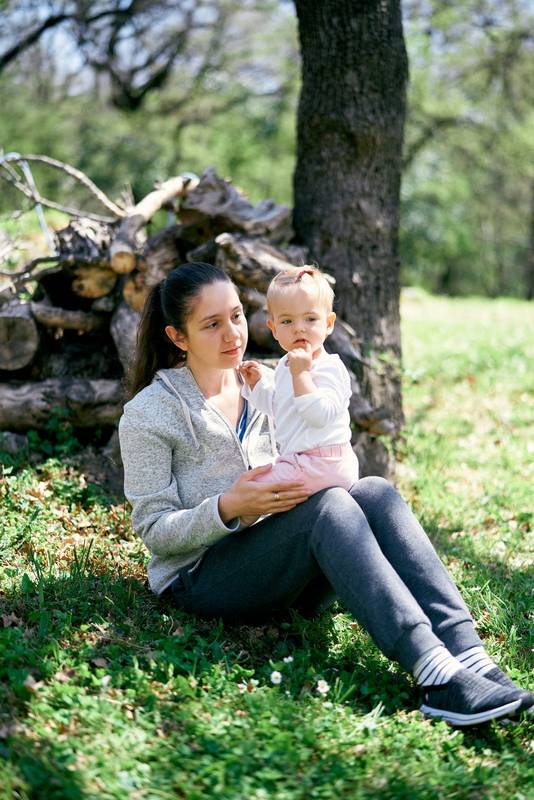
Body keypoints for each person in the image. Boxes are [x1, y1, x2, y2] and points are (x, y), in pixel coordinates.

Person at [118, 261, 533, 727]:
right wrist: (229, 507)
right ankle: (436, 676)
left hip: (286, 569)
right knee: (330, 507)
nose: (233, 334)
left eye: (236, 316)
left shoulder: (268, 382)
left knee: (374, 491)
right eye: (212, 325)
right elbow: (154, 531)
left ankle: (471, 658)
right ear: (178, 337)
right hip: (203, 580)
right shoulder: (150, 413)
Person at [238, 267, 358, 521]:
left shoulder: (329, 367)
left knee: (253, 492)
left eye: (310, 319)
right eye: (287, 321)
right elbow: (281, 408)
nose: (299, 329)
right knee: (256, 489)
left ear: (328, 324)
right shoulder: (286, 364)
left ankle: (236, 533)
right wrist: (257, 385)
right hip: (303, 463)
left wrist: (301, 374)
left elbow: (320, 415)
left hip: (322, 463)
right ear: (273, 328)